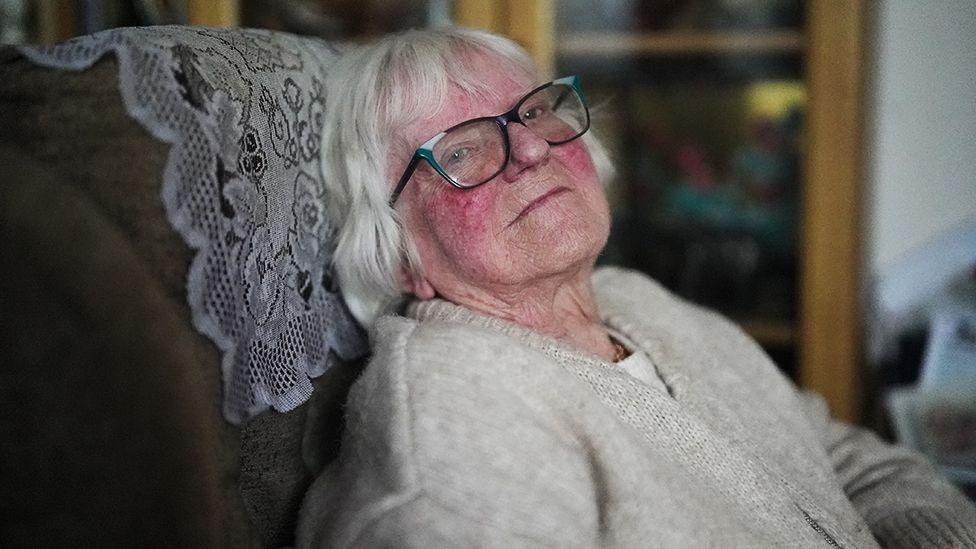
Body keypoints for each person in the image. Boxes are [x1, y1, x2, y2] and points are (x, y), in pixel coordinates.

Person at [297, 28, 976, 547]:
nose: (531, 149)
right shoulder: (448, 418)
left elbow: (840, 459)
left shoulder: (635, 300)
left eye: (534, 113)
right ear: (395, 252)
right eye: (462, 149)